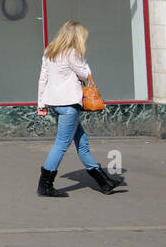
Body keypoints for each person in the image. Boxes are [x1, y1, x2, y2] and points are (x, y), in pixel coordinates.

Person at [36, 20, 126, 198]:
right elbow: (86, 75)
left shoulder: (49, 51)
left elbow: (42, 78)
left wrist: (41, 104)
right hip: (69, 104)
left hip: (55, 104)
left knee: (82, 143)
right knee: (61, 145)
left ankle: (104, 182)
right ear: (76, 37)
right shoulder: (72, 52)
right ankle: (45, 185)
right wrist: (83, 58)